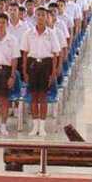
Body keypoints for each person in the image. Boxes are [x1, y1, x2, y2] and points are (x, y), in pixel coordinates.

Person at [21, 8, 61, 138]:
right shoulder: (28, 33)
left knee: (43, 96)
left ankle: (42, 127)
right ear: (35, 17)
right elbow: (25, 53)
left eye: (43, 15)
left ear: (46, 17)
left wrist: (53, 72)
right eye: (38, 15)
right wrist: (25, 71)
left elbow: (55, 54)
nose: (40, 17)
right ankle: (35, 126)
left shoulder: (51, 34)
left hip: (46, 64)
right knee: (33, 96)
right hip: (32, 64)